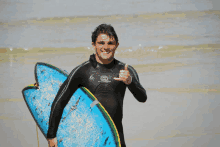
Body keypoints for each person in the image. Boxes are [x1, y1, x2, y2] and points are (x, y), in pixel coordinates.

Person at [46, 24, 147, 147]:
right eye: (101, 43)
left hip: (115, 140)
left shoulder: (125, 70)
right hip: (89, 140)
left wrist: (130, 82)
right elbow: (60, 101)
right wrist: (51, 135)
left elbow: (142, 98)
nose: (106, 47)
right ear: (94, 44)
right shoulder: (83, 71)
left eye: (110, 43)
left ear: (117, 45)